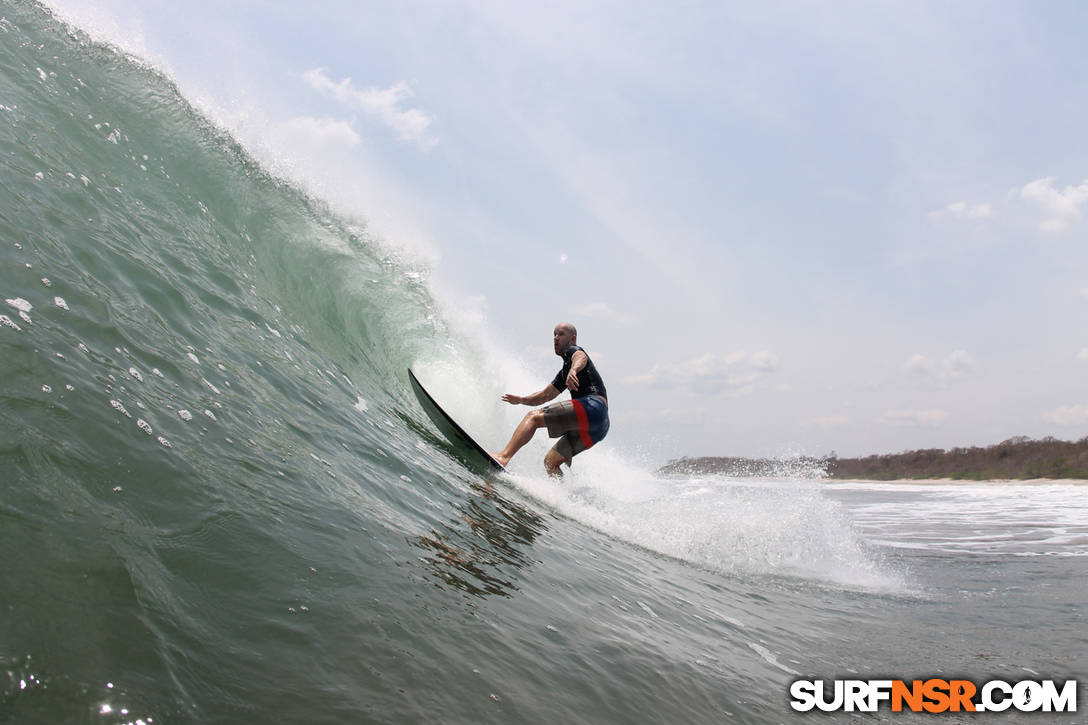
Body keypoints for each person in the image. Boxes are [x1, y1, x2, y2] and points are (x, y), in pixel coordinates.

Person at [491, 322, 609, 476]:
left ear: (572, 339)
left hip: (594, 406)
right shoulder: (564, 373)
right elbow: (545, 396)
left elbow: (580, 356)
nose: (555, 338)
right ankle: (561, 498)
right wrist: (521, 399)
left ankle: (503, 457)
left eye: (561, 334)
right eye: (554, 334)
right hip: (599, 428)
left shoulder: (574, 351)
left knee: (533, 418)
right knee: (550, 462)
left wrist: (574, 369)